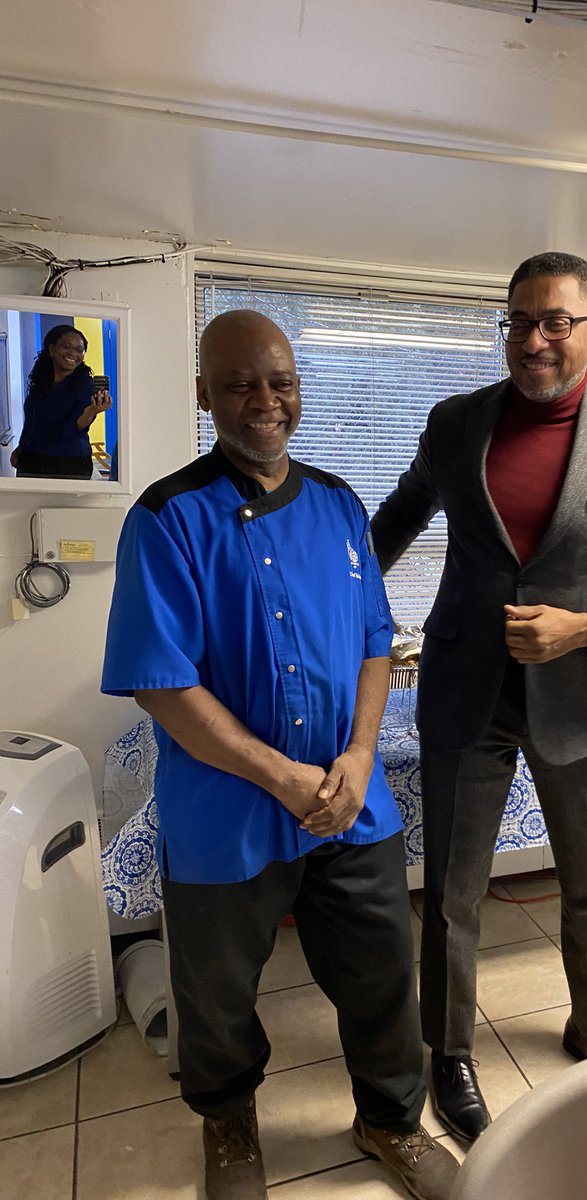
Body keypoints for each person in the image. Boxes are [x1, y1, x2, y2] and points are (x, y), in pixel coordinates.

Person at [101, 310, 458, 1200]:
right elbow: (162, 685)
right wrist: (282, 776)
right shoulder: (168, 517)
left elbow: (378, 639)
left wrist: (362, 754)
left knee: (383, 975)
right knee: (218, 997)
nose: (265, 401)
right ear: (203, 396)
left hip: (350, 799)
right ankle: (228, 1128)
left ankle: (389, 1123)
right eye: (239, 384)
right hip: (228, 811)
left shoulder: (340, 505)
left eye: (280, 381)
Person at [371, 251, 587, 1141]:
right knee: (452, 892)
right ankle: (449, 1054)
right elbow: (399, 516)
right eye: (519, 321)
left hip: (583, 697)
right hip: (463, 691)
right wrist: (342, 598)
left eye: (555, 321)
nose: (534, 339)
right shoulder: (455, 425)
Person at [11, 324, 111, 479]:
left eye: (79, 350)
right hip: (31, 461)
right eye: (66, 346)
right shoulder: (41, 382)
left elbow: (76, 426)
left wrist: (92, 412)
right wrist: (21, 447)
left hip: (69, 463)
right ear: (52, 349)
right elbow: (32, 421)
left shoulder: (85, 384)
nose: (73, 353)